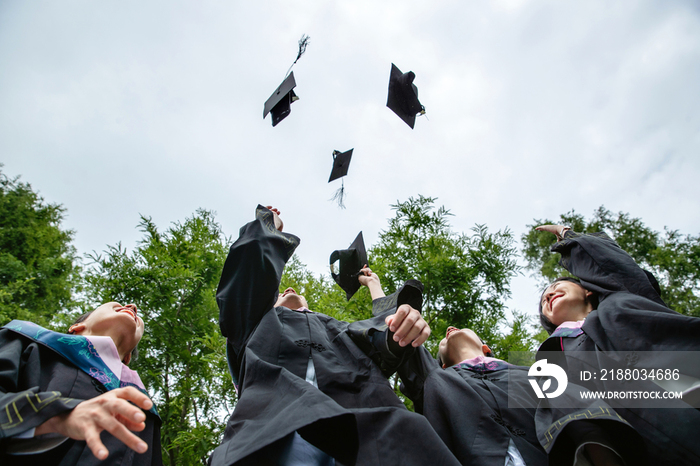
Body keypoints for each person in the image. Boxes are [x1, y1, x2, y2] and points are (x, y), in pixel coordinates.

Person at [209, 205, 461, 465]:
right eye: (280, 292)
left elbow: (383, 336)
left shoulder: (339, 328)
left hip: (373, 434)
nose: (290, 288)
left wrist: (402, 324)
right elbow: (248, 276)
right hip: (273, 433)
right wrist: (268, 226)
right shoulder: (255, 324)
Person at [358, 268, 643, 466]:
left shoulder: (536, 373)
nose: (450, 329)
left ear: (486, 348)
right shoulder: (436, 380)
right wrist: (374, 286)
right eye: (442, 339)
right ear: (441, 361)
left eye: (460, 328)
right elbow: (396, 329)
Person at [535, 224, 700, 465]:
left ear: (587, 290)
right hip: (652, 441)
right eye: (543, 301)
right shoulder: (551, 355)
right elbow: (566, 411)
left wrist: (569, 237)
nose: (548, 295)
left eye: (555, 287)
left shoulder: (622, 299)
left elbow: (609, 266)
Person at [0, 302, 161, 465]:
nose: (132, 306)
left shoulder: (144, 410)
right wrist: (55, 417)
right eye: (119, 304)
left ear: (127, 358)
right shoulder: (24, 341)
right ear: (76, 327)